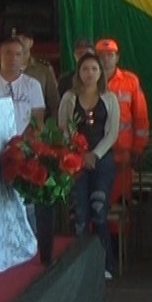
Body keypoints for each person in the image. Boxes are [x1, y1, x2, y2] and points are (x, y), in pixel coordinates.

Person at [59, 53, 121, 279]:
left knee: (98, 209)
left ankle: (105, 264)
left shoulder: (110, 98)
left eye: (94, 69)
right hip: (75, 159)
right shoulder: (69, 98)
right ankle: (79, 266)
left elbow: (112, 132)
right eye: (85, 69)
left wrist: (95, 154)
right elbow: (64, 128)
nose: (90, 73)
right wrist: (79, 154)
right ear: (79, 72)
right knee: (80, 214)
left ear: (100, 73)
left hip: (102, 159)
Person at [98, 38, 149, 205]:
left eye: (110, 55)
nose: (106, 59)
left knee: (120, 202)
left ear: (117, 57)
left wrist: (138, 148)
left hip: (123, 153)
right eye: (102, 55)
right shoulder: (88, 79)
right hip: (96, 150)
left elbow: (141, 117)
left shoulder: (130, 81)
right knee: (98, 199)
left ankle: (119, 232)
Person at [0, 37, 44, 133]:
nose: (13, 58)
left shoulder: (33, 85)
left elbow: (38, 120)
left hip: (25, 143)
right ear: (0, 55)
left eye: (18, 54)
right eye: (8, 53)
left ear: (23, 58)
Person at [13, 28, 60, 113]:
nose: (20, 42)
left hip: (38, 121)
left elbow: (54, 102)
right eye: (16, 39)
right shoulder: (1, 70)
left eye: (23, 39)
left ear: (31, 43)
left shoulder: (43, 70)